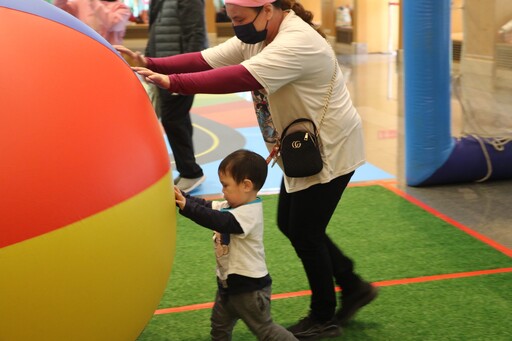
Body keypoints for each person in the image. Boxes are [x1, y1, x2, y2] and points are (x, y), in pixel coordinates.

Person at [115, 0, 379, 339]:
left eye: (239, 18)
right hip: (301, 148)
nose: (235, 24)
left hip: (329, 150)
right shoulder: (257, 34)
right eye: (232, 17)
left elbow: (240, 76)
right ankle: (353, 284)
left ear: (267, 10)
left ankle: (324, 315)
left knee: (305, 232)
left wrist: (173, 83)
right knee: (294, 225)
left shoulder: (296, 40)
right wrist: (148, 61)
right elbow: (206, 58)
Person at [174, 149, 297, 341]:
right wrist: (182, 197)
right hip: (227, 287)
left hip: (250, 289)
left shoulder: (249, 214)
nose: (222, 191)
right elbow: (207, 207)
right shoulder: (230, 206)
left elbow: (219, 221)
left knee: (265, 331)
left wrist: (187, 207)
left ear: (246, 185)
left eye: (226, 186)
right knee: (219, 327)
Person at [144, 0, 208, 193]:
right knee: (177, 118)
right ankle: (188, 170)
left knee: (174, 119)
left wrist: (186, 74)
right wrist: (149, 61)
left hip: (178, 72)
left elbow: (196, 33)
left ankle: (191, 172)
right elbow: (154, 29)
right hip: (164, 68)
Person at [54, 0, 130, 45]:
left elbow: (112, 24)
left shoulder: (122, 8)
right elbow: (59, 11)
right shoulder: (81, 2)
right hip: (82, 51)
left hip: (110, 54)